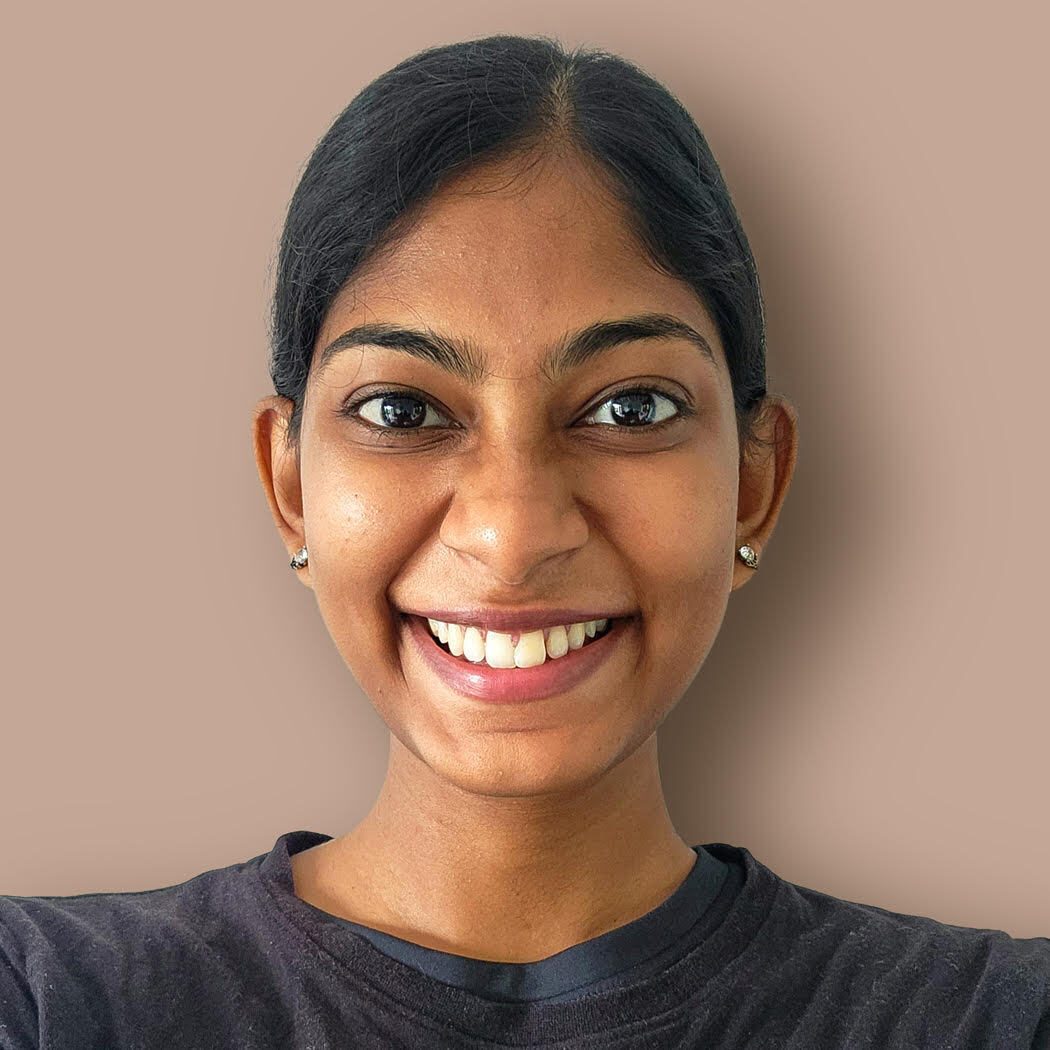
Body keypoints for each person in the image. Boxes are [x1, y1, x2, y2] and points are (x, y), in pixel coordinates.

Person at [1, 32, 1047, 1050]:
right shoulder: (46, 1000)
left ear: (754, 485)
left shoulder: (997, 1020)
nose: (512, 536)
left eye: (630, 408)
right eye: (403, 411)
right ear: (291, 487)